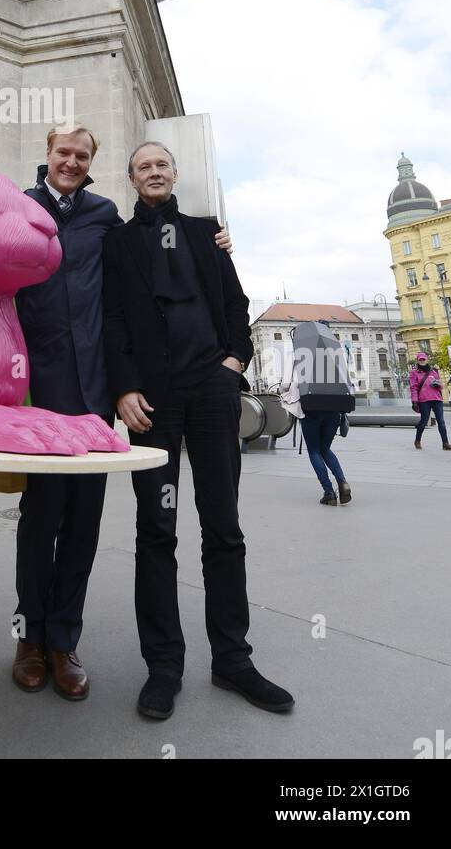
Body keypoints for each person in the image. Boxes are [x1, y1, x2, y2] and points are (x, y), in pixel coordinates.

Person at [0, 130, 232, 702]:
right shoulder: (14, 204)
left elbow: (146, 255)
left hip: (94, 391)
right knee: (40, 515)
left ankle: (65, 641)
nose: (71, 162)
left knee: (84, 521)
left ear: (92, 163)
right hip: (35, 385)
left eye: (83, 155)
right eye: (63, 153)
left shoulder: (105, 216)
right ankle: (29, 637)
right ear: (48, 155)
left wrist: (209, 239)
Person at [103, 142, 294, 721]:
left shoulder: (207, 233)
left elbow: (234, 301)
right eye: (143, 167)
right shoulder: (119, 241)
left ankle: (233, 659)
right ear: (132, 179)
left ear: (174, 173)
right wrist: (123, 387)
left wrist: (236, 359)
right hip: (152, 401)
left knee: (223, 528)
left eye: (162, 164)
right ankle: (164, 665)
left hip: (212, 393)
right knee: (156, 531)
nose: (155, 173)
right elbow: (111, 316)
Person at [280, 320, 352, 505]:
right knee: (325, 448)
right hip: (335, 408)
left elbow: (285, 385)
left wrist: (283, 391)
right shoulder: (336, 351)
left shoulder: (296, 353)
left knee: (314, 451)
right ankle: (342, 481)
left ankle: (329, 492)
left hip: (311, 408)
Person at [410, 352, 451, 451]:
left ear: (427, 360)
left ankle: (445, 443)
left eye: (424, 359)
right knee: (424, 421)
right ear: (417, 360)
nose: (422, 361)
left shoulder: (434, 372)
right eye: (420, 359)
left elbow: (441, 385)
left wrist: (438, 385)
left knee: (441, 422)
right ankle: (417, 440)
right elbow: (413, 388)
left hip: (436, 399)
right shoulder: (414, 373)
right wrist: (414, 401)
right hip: (424, 400)